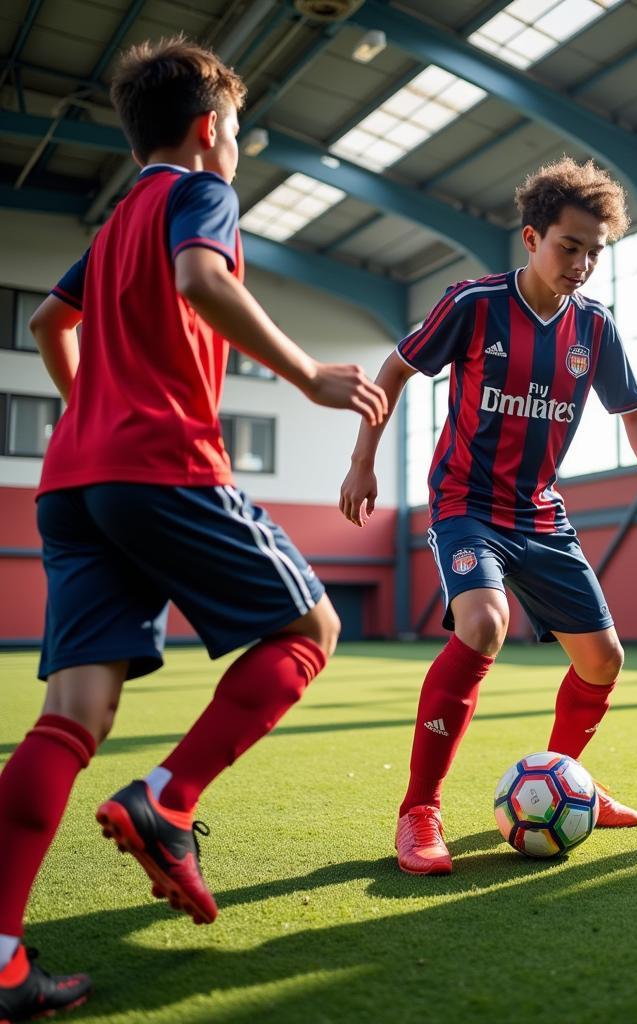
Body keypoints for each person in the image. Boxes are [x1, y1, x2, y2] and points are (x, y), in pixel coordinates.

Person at [0, 36, 387, 1020]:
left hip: (71, 486)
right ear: (211, 130)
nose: (238, 151)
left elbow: (49, 325)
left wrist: (92, 412)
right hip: (157, 467)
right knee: (313, 629)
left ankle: (0, 953)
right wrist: (310, 376)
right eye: (240, 134)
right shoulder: (198, 192)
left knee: (72, 715)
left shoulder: (114, 218)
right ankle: (169, 799)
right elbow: (203, 282)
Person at [340, 157, 637, 876]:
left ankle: (567, 781)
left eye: (594, 251)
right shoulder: (474, 304)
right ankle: (419, 809)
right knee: (485, 623)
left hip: (541, 514)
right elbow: (396, 370)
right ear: (532, 237)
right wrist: (364, 459)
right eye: (569, 246)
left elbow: (634, 409)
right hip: (466, 505)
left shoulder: (595, 328)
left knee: (603, 659)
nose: (581, 264)